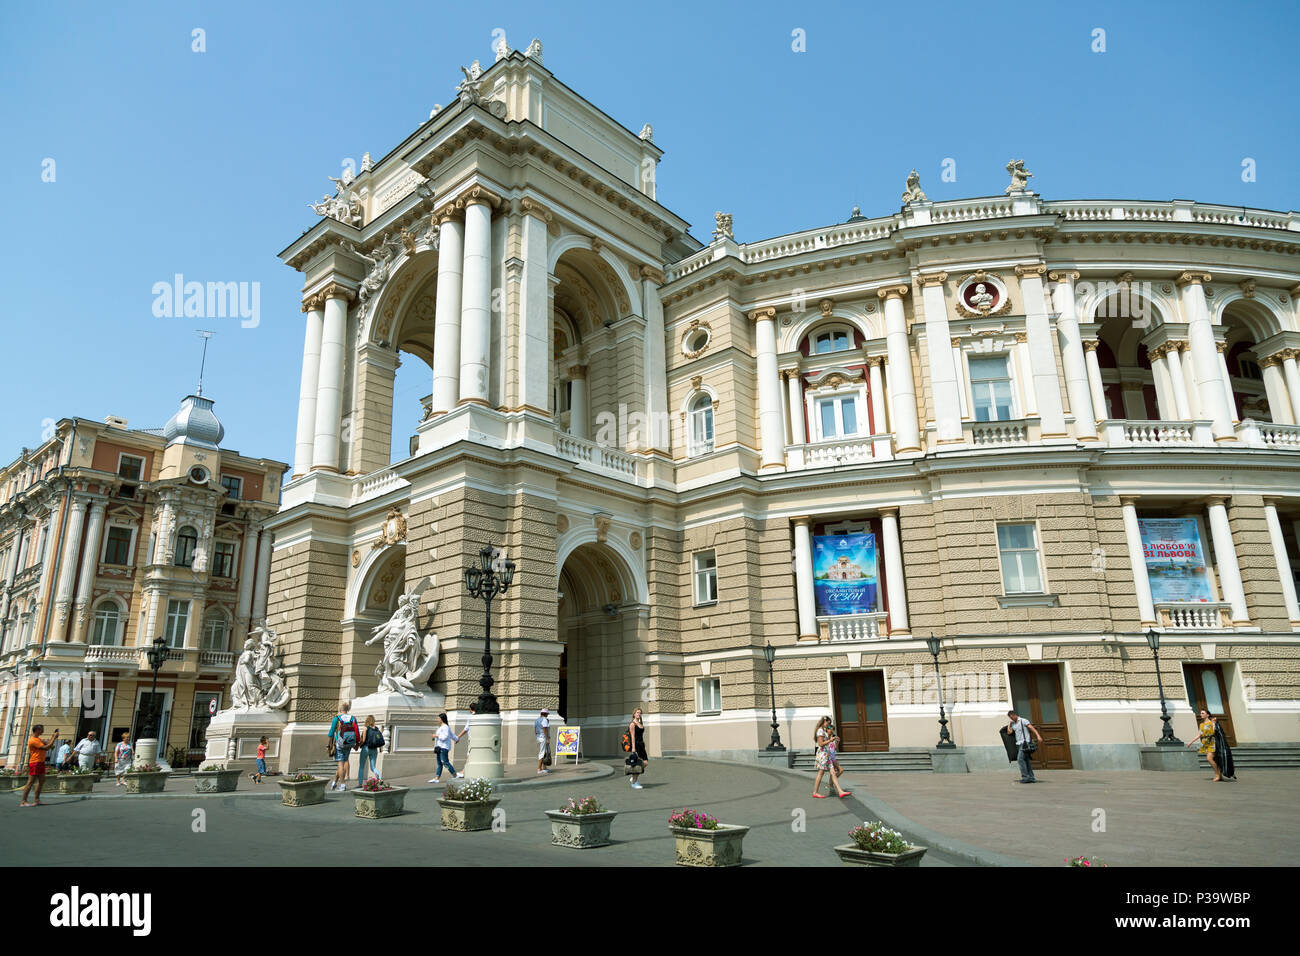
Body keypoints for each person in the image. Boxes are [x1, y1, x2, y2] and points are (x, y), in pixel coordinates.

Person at [810, 716, 851, 798]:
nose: (828, 725)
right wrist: (830, 740)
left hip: (827, 754)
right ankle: (815, 792)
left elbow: (828, 745)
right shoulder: (820, 731)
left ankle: (840, 791)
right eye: (828, 723)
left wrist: (831, 740)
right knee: (821, 773)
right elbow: (821, 744)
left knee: (832, 772)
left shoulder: (822, 731)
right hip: (823, 754)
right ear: (825, 721)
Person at [20, 725, 58, 807]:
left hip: (40, 762)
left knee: (41, 781)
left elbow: (49, 745)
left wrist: (52, 737)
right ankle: (23, 801)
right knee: (30, 782)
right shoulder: (33, 740)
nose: (43, 731)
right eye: (42, 730)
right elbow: (46, 748)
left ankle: (37, 800)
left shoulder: (39, 739)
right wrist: (54, 738)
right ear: (37, 730)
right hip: (35, 762)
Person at [327, 702, 360, 791]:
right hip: (350, 743)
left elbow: (330, 733)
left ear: (340, 710)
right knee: (343, 762)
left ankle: (342, 785)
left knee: (340, 764)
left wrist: (329, 744)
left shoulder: (337, 718)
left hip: (340, 743)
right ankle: (334, 782)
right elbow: (357, 731)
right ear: (347, 710)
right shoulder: (353, 718)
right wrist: (357, 743)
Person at [1007, 709, 1044, 783]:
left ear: (1014, 715)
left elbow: (1031, 728)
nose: (1011, 719)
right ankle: (1031, 777)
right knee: (1026, 761)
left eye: (1011, 717)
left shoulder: (1023, 720)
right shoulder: (1013, 724)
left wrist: (1038, 736)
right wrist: (1009, 724)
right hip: (1019, 744)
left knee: (1020, 759)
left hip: (1025, 743)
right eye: (1010, 718)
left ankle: (1025, 777)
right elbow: (1009, 732)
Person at [1186, 708, 1222, 782]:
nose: (1201, 714)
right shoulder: (1201, 724)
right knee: (1214, 759)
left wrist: (1214, 723)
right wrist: (1191, 742)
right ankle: (1219, 774)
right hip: (1206, 743)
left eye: (1202, 713)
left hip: (1213, 742)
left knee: (1209, 758)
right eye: (1200, 713)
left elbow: (1215, 731)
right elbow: (1199, 735)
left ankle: (1217, 775)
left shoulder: (1212, 722)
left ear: (1207, 715)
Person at [430, 713, 459, 782]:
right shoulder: (442, 727)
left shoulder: (445, 727)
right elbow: (451, 734)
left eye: (438, 718)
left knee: (445, 762)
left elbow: (445, 737)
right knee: (439, 763)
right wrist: (456, 739)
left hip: (443, 747)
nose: (437, 720)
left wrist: (436, 736)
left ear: (442, 719)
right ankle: (437, 778)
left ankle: (455, 775)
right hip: (439, 748)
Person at [626, 708, 650, 789]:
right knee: (637, 764)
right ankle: (634, 782)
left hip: (641, 746)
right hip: (636, 746)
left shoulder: (640, 723)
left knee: (645, 763)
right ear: (634, 714)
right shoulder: (632, 724)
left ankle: (633, 777)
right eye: (637, 712)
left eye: (640, 713)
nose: (639, 714)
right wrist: (633, 748)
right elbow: (632, 737)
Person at [359, 717, 382, 787]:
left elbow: (363, 740)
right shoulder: (377, 729)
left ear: (367, 721)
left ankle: (360, 783)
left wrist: (358, 745)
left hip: (366, 748)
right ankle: (380, 779)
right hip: (374, 749)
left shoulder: (365, 728)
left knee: (361, 767)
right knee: (373, 767)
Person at [535, 708, 551, 775]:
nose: (548, 715)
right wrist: (547, 738)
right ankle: (539, 769)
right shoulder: (544, 720)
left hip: (539, 737)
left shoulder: (537, 720)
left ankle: (544, 767)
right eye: (547, 713)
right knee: (542, 753)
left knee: (544, 752)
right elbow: (545, 729)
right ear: (546, 714)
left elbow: (535, 729)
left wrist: (537, 736)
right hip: (543, 737)